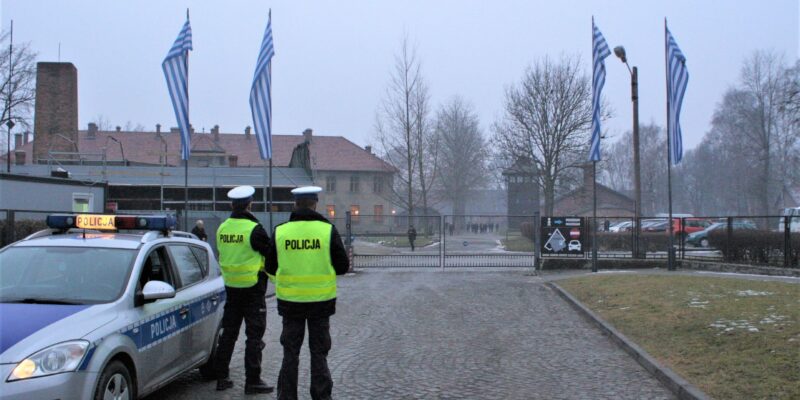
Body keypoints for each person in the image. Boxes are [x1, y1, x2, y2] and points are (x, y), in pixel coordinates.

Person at [266, 186, 349, 400]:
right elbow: (342, 266)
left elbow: (270, 266)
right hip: (321, 303)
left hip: (290, 302)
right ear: (315, 204)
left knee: (290, 353)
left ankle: (287, 397)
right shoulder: (327, 230)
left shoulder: (281, 231)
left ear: (295, 204)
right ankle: (321, 396)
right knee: (319, 353)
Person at [214, 185, 274, 395]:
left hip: (231, 288)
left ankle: (221, 377)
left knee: (228, 334)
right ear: (250, 204)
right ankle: (253, 380)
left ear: (232, 205)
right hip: (252, 290)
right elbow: (270, 253)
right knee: (254, 336)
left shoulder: (222, 228)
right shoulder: (254, 229)